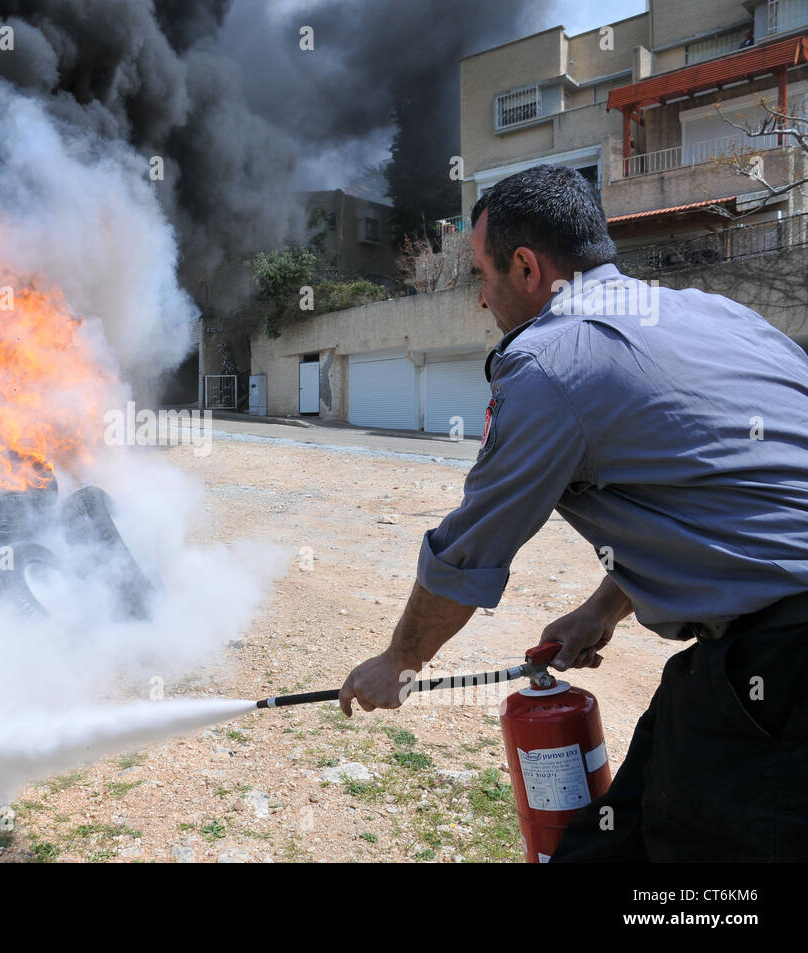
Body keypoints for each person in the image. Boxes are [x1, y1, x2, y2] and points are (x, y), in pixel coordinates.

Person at [337, 164, 808, 861]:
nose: (478, 299)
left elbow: (469, 550)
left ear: (526, 266)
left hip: (782, 670)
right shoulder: (719, 316)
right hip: (753, 662)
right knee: (613, 839)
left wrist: (399, 662)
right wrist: (601, 610)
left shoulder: (551, 364)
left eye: (481, 275)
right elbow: (722, 496)